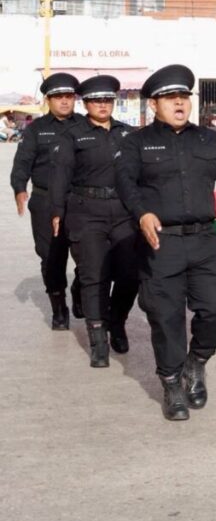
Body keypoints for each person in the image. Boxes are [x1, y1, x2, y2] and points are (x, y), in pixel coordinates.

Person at [115, 64, 216, 421]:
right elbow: (126, 185)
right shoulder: (136, 142)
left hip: (204, 242)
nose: (179, 103)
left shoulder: (209, 140)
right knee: (165, 318)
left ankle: (197, 362)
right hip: (160, 244)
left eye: (183, 97)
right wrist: (142, 214)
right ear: (153, 104)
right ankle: (171, 383)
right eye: (170, 98)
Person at [49, 75, 138, 367]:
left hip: (123, 212)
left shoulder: (128, 134)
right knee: (93, 275)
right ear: (86, 103)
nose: (103, 105)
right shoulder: (72, 134)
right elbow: (60, 177)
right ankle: (98, 340)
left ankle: (118, 322)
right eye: (97, 100)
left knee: (129, 274)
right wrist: (57, 213)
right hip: (86, 211)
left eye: (108, 100)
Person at [10, 73, 84, 329]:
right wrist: (20, 188)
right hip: (44, 201)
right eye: (58, 97)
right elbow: (22, 163)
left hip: (79, 201)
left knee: (90, 254)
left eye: (68, 97)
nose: (64, 102)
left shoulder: (86, 126)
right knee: (51, 257)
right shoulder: (36, 130)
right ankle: (58, 307)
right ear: (48, 100)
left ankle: (80, 288)